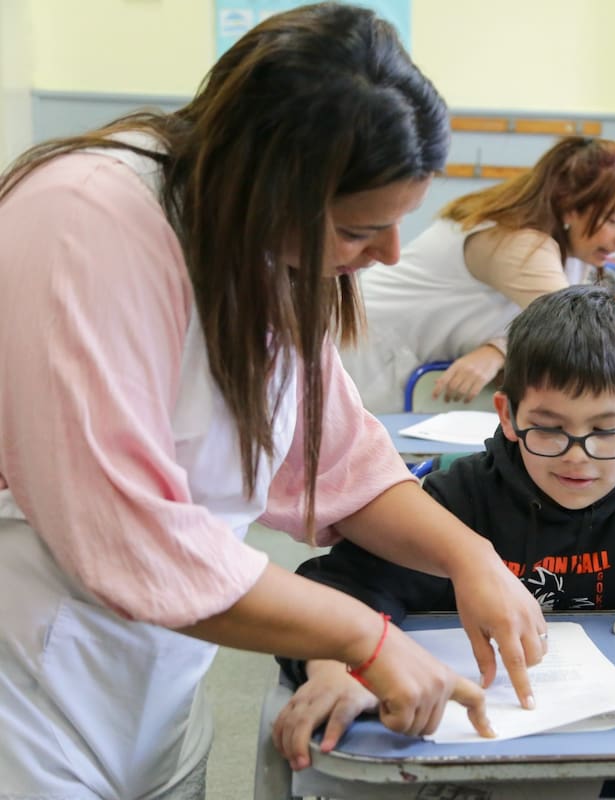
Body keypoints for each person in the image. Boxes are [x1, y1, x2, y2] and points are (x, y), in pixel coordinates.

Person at [0, 7, 545, 797]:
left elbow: (338, 460)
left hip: (156, 673)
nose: (389, 254)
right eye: (362, 228)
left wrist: (470, 557)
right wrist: (365, 637)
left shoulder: (256, 248)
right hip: (30, 668)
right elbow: (128, 536)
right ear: (271, 187)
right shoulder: (83, 221)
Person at [273, 285, 615, 775]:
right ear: (507, 414)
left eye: (605, 430)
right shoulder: (462, 498)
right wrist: (334, 668)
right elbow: (334, 588)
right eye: (549, 428)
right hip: (481, 755)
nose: (578, 458)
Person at [339, 136, 615, 421]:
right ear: (571, 204)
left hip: (410, 367)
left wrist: (497, 348)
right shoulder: (520, 243)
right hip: (365, 351)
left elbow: (545, 321)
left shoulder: (571, 251)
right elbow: (589, 332)